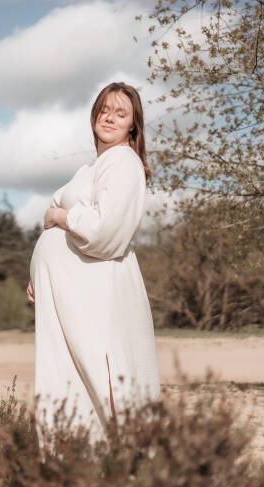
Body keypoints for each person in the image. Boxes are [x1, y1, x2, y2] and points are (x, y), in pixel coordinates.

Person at [27, 81, 160, 443]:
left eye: (121, 113)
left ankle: (119, 467)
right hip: (76, 297)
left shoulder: (124, 162)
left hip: (99, 297)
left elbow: (106, 231)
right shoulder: (92, 168)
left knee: (105, 381)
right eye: (105, 109)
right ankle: (78, 464)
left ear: (133, 126)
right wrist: (40, 274)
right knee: (74, 382)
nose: (110, 117)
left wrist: (61, 216)